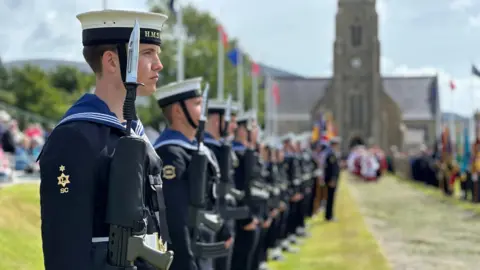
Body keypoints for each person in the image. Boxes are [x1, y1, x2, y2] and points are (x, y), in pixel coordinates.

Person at [38, 10, 168, 270]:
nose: (158, 64)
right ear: (111, 60)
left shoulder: (137, 136)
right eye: (147, 53)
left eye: (157, 54)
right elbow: (65, 249)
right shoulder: (75, 138)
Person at [153, 78, 232, 270]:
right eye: (197, 104)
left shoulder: (194, 149)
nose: (203, 110)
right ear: (179, 111)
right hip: (187, 257)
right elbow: (175, 219)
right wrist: (186, 264)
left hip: (202, 250)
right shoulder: (170, 153)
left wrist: (222, 231)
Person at [324, 137, 341, 221]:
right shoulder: (331, 154)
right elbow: (332, 169)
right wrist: (332, 179)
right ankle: (329, 216)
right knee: (330, 198)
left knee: (332, 198)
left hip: (333, 179)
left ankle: (330, 215)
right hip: (331, 180)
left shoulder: (333, 153)